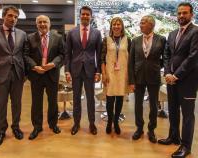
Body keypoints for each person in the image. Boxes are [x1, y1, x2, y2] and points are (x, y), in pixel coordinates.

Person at [158, 2, 198, 158]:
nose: (181, 16)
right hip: (171, 80)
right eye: (179, 13)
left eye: (185, 13)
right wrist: (167, 73)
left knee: (187, 115)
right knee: (172, 111)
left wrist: (176, 74)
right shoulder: (172, 34)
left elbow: (193, 57)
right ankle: (173, 137)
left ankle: (186, 146)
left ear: (191, 15)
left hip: (187, 81)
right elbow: (166, 55)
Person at [0, 6, 27, 147]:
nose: (13, 19)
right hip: (0, 75)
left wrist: (25, 74)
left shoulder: (22, 34)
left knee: (17, 103)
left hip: (18, 75)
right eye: (10, 16)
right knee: (1, 104)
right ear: (3, 16)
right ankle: (1, 130)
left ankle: (16, 127)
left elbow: (24, 56)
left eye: (15, 17)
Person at [24, 15, 65, 140]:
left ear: (49, 23)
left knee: (53, 102)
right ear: (36, 24)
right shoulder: (30, 38)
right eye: (40, 22)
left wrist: (53, 64)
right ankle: (37, 127)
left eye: (45, 22)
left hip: (52, 75)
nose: (42, 24)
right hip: (36, 75)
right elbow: (25, 55)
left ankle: (53, 124)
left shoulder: (58, 38)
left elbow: (62, 55)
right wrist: (35, 67)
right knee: (36, 103)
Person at [65, 6, 102, 135]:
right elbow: (67, 54)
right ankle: (76, 123)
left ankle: (92, 124)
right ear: (79, 16)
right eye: (83, 14)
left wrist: (98, 72)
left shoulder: (97, 33)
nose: (85, 16)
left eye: (88, 14)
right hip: (75, 70)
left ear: (91, 16)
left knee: (91, 99)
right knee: (76, 98)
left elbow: (99, 54)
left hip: (90, 70)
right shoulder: (71, 33)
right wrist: (67, 71)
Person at [128, 15, 166, 143]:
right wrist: (131, 81)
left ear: (151, 25)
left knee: (154, 105)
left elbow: (165, 59)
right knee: (138, 105)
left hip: (153, 77)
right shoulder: (135, 40)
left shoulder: (161, 39)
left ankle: (151, 129)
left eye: (143, 23)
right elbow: (131, 62)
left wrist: (155, 67)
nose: (140, 25)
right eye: (140, 22)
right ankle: (139, 128)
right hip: (138, 77)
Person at [101, 17, 131, 135]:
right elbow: (102, 58)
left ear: (122, 26)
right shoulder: (106, 39)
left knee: (119, 99)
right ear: (111, 26)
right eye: (114, 24)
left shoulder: (127, 40)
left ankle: (116, 122)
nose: (116, 26)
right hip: (110, 73)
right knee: (109, 99)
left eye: (119, 24)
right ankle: (109, 122)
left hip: (123, 73)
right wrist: (104, 74)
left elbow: (131, 60)